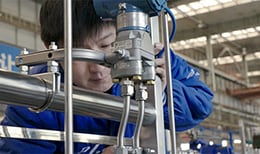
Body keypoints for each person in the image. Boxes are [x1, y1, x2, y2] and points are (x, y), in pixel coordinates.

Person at [0, 0, 214, 153]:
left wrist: (163, 93)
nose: (98, 68)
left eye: (108, 45)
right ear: (53, 49)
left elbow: (202, 104)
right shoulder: (35, 98)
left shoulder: (155, 60)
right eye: (79, 54)